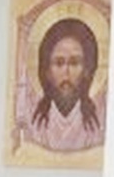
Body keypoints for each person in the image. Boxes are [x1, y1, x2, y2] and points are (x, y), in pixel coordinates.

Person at [24, 17, 105, 154]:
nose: (66, 72)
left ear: (86, 70)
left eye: (74, 63)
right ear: (47, 71)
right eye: (59, 63)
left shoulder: (100, 117)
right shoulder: (31, 117)